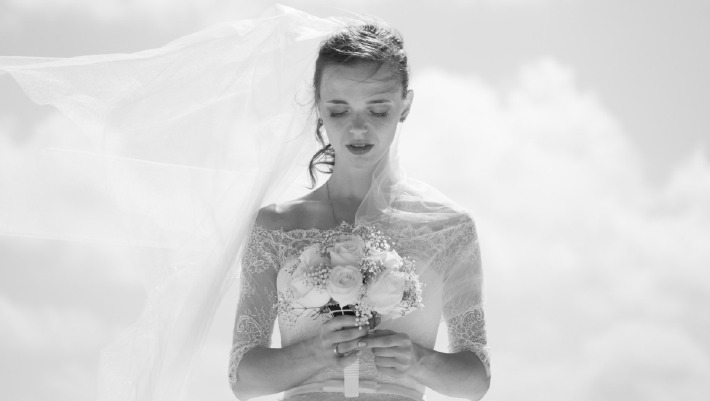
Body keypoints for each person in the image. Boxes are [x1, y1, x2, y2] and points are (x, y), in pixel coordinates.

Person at [228, 22, 490, 401]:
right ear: (318, 107)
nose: (358, 128)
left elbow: (476, 379)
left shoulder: (448, 227)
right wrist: (313, 352)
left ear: (406, 105)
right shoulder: (276, 225)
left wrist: (417, 361)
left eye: (378, 110)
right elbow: (243, 379)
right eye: (339, 111)